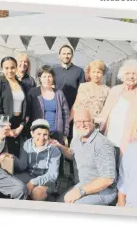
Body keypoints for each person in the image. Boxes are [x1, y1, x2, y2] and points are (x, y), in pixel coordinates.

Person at [53, 109, 117, 205]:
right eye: (78, 121)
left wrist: (80, 191)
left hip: (104, 190)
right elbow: (72, 154)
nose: (82, 125)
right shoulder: (76, 140)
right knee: (59, 204)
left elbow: (107, 179)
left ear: (93, 122)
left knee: (74, 208)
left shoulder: (102, 144)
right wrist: (60, 146)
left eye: (85, 121)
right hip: (84, 185)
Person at [95, 59, 137, 154]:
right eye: (127, 73)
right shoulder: (114, 90)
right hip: (110, 138)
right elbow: (104, 113)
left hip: (131, 142)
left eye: (134, 73)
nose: (131, 76)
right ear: (122, 75)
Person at [53, 44, 85, 178]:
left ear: (72, 55)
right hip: (57, 111)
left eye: (68, 53)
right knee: (57, 139)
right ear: (59, 55)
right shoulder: (54, 71)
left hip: (74, 111)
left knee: (73, 140)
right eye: (63, 53)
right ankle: (58, 171)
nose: (66, 56)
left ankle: (74, 172)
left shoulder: (79, 71)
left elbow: (83, 92)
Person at [13, 119, 61, 201]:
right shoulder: (27, 144)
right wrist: (12, 158)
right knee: (13, 185)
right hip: (29, 175)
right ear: (32, 133)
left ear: (49, 134)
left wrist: (34, 182)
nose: (42, 138)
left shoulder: (54, 150)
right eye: (38, 134)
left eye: (45, 134)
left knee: (37, 194)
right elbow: (22, 165)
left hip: (46, 180)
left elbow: (53, 175)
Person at [0, 57, 27, 158]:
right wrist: (7, 129)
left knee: (19, 162)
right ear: (2, 69)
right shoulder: (0, 84)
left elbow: (25, 107)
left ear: (16, 68)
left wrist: (20, 126)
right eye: (6, 68)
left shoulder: (21, 85)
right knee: (8, 160)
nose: (9, 71)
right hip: (5, 126)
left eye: (12, 67)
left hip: (18, 125)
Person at [27, 65, 70, 145]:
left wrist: (65, 132)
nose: (47, 79)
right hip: (40, 135)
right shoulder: (33, 93)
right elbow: (27, 113)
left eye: (49, 76)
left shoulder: (59, 93)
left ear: (53, 77)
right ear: (40, 78)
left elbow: (66, 114)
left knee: (56, 155)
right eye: (44, 76)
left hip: (56, 133)